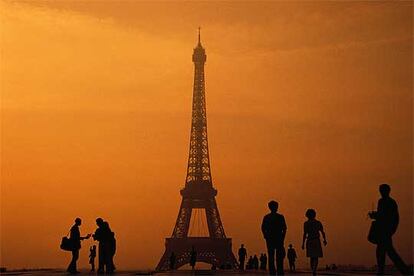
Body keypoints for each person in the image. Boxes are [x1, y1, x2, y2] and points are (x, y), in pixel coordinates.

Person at [368, 184, 411, 275]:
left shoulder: (390, 202)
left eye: (382, 190)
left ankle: (405, 271)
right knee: (383, 252)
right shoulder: (382, 201)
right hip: (383, 231)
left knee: (388, 252)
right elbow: (383, 215)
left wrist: (390, 231)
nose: (381, 192)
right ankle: (384, 271)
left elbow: (391, 218)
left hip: (385, 232)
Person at [261, 200, 287, 275]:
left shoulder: (266, 217)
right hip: (278, 238)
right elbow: (284, 228)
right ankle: (280, 271)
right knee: (279, 256)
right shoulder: (280, 217)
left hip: (270, 238)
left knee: (271, 256)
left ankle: (272, 271)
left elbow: (263, 228)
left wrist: (265, 236)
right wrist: (283, 237)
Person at [301, 209, 327, 276]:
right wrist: (324, 240)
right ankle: (314, 269)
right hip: (316, 240)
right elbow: (322, 232)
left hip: (310, 240)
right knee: (316, 257)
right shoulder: (318, 223)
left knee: (312, 257)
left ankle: (313, 269)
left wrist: (303, 243)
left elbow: (305, 234)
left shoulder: (306, 223)